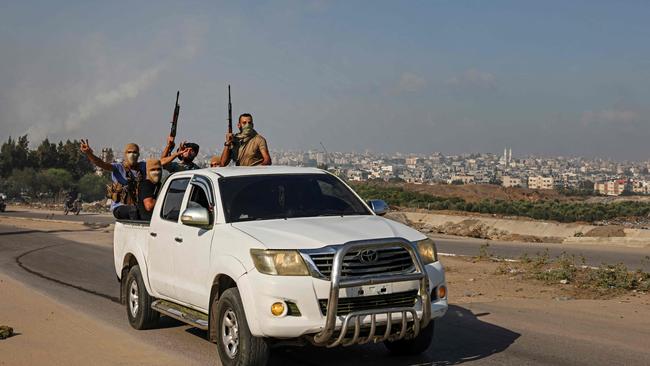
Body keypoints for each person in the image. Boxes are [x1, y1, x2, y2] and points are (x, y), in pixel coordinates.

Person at [80, 139, 145, 219]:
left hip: (137, 205)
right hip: (120, 207)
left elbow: (158, 164)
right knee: (134, 211)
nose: (132, 154)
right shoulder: (118, 167)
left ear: (138, 154)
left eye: (135, 152)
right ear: (125, 154)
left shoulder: (142, 167)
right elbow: (102, 164)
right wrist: (89, 154)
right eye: (129, 152)